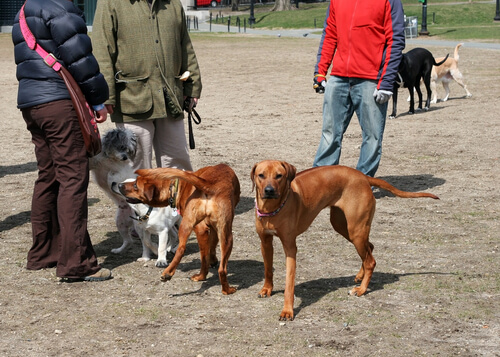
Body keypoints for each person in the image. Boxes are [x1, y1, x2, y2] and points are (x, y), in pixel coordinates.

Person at [12, 0, 112, 281]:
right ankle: (76, 262)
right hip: (58, 101)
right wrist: (98, 99)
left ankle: (44, 253)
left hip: (31, 101)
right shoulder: (58, 6)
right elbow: (80, 56)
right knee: (72, 178)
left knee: (49, 176)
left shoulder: (25, 8)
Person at [92, 0, 203, 172]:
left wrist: (192, 86)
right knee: (137, 164)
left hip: (170, 97)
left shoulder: (173, 3)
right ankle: (138, 201)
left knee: (177, 160)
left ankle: (176, 199)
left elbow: (185, 47)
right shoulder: (109, 3)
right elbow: (102, 52)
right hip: (132, 99)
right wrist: (106, 96)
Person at [312, 0, 405, 177]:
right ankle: (320, 181)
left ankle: (362, 183)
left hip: (371, 79)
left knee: (372, 137)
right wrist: (320, 72)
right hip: (338, 77)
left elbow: (396, 40)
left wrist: (386, 81)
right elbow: (330, 34)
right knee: (329, 133)